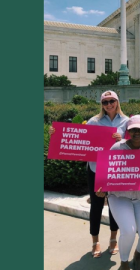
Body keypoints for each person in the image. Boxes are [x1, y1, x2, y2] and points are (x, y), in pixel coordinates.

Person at [48, 90, 128, 258]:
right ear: (102, 105)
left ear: (117, 102)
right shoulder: (94, 121)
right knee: (97, 206)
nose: (109, 105)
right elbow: (78, 139)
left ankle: (113, 239)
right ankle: (95, 241)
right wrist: (56, 135)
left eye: (111, 101)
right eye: (105, 102)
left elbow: (136, 141)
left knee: (115, 206)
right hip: (95, 168)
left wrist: (122, 139)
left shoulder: (127, 121)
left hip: (116, 169)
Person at [96, 115, 140, 270]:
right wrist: (102, 190)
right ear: (128, 131)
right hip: (119, 197)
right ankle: (124, 262)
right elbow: (107, 174)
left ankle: (138, 253)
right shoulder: (117, 147)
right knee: (128, 231)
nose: (136, 132)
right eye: (133, 129)